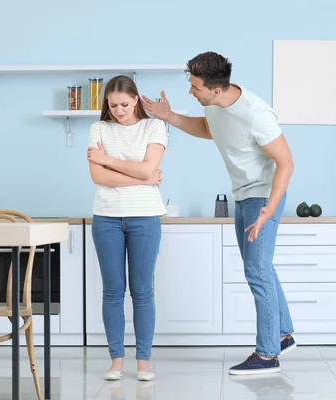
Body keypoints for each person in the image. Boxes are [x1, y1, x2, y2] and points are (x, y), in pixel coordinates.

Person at [142, 51, 296, 375]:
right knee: (260, 267)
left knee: (257, 271)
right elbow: (207, 129)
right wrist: (169, 116)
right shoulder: (214, 107)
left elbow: (286, 162)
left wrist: (269, 207)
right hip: (242, 195)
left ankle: (268, 354)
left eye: (195, 87)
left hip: (262, 196)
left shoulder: (256, 114)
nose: (191, 92)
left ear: (215, 89)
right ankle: (281, 333)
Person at [87, 75, 167, 381]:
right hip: (106, 217)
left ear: (135, 99)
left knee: (142, 291)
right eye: (112, 105)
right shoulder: (98, 129)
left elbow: (150, 167)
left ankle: (144, 361)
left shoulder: (154, 127)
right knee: (112, 292)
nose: (118, 110)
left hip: (145, 217)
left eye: (123, 104)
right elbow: (99, 178)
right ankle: (116, 361)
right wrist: (143, 179)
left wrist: (107, 159)